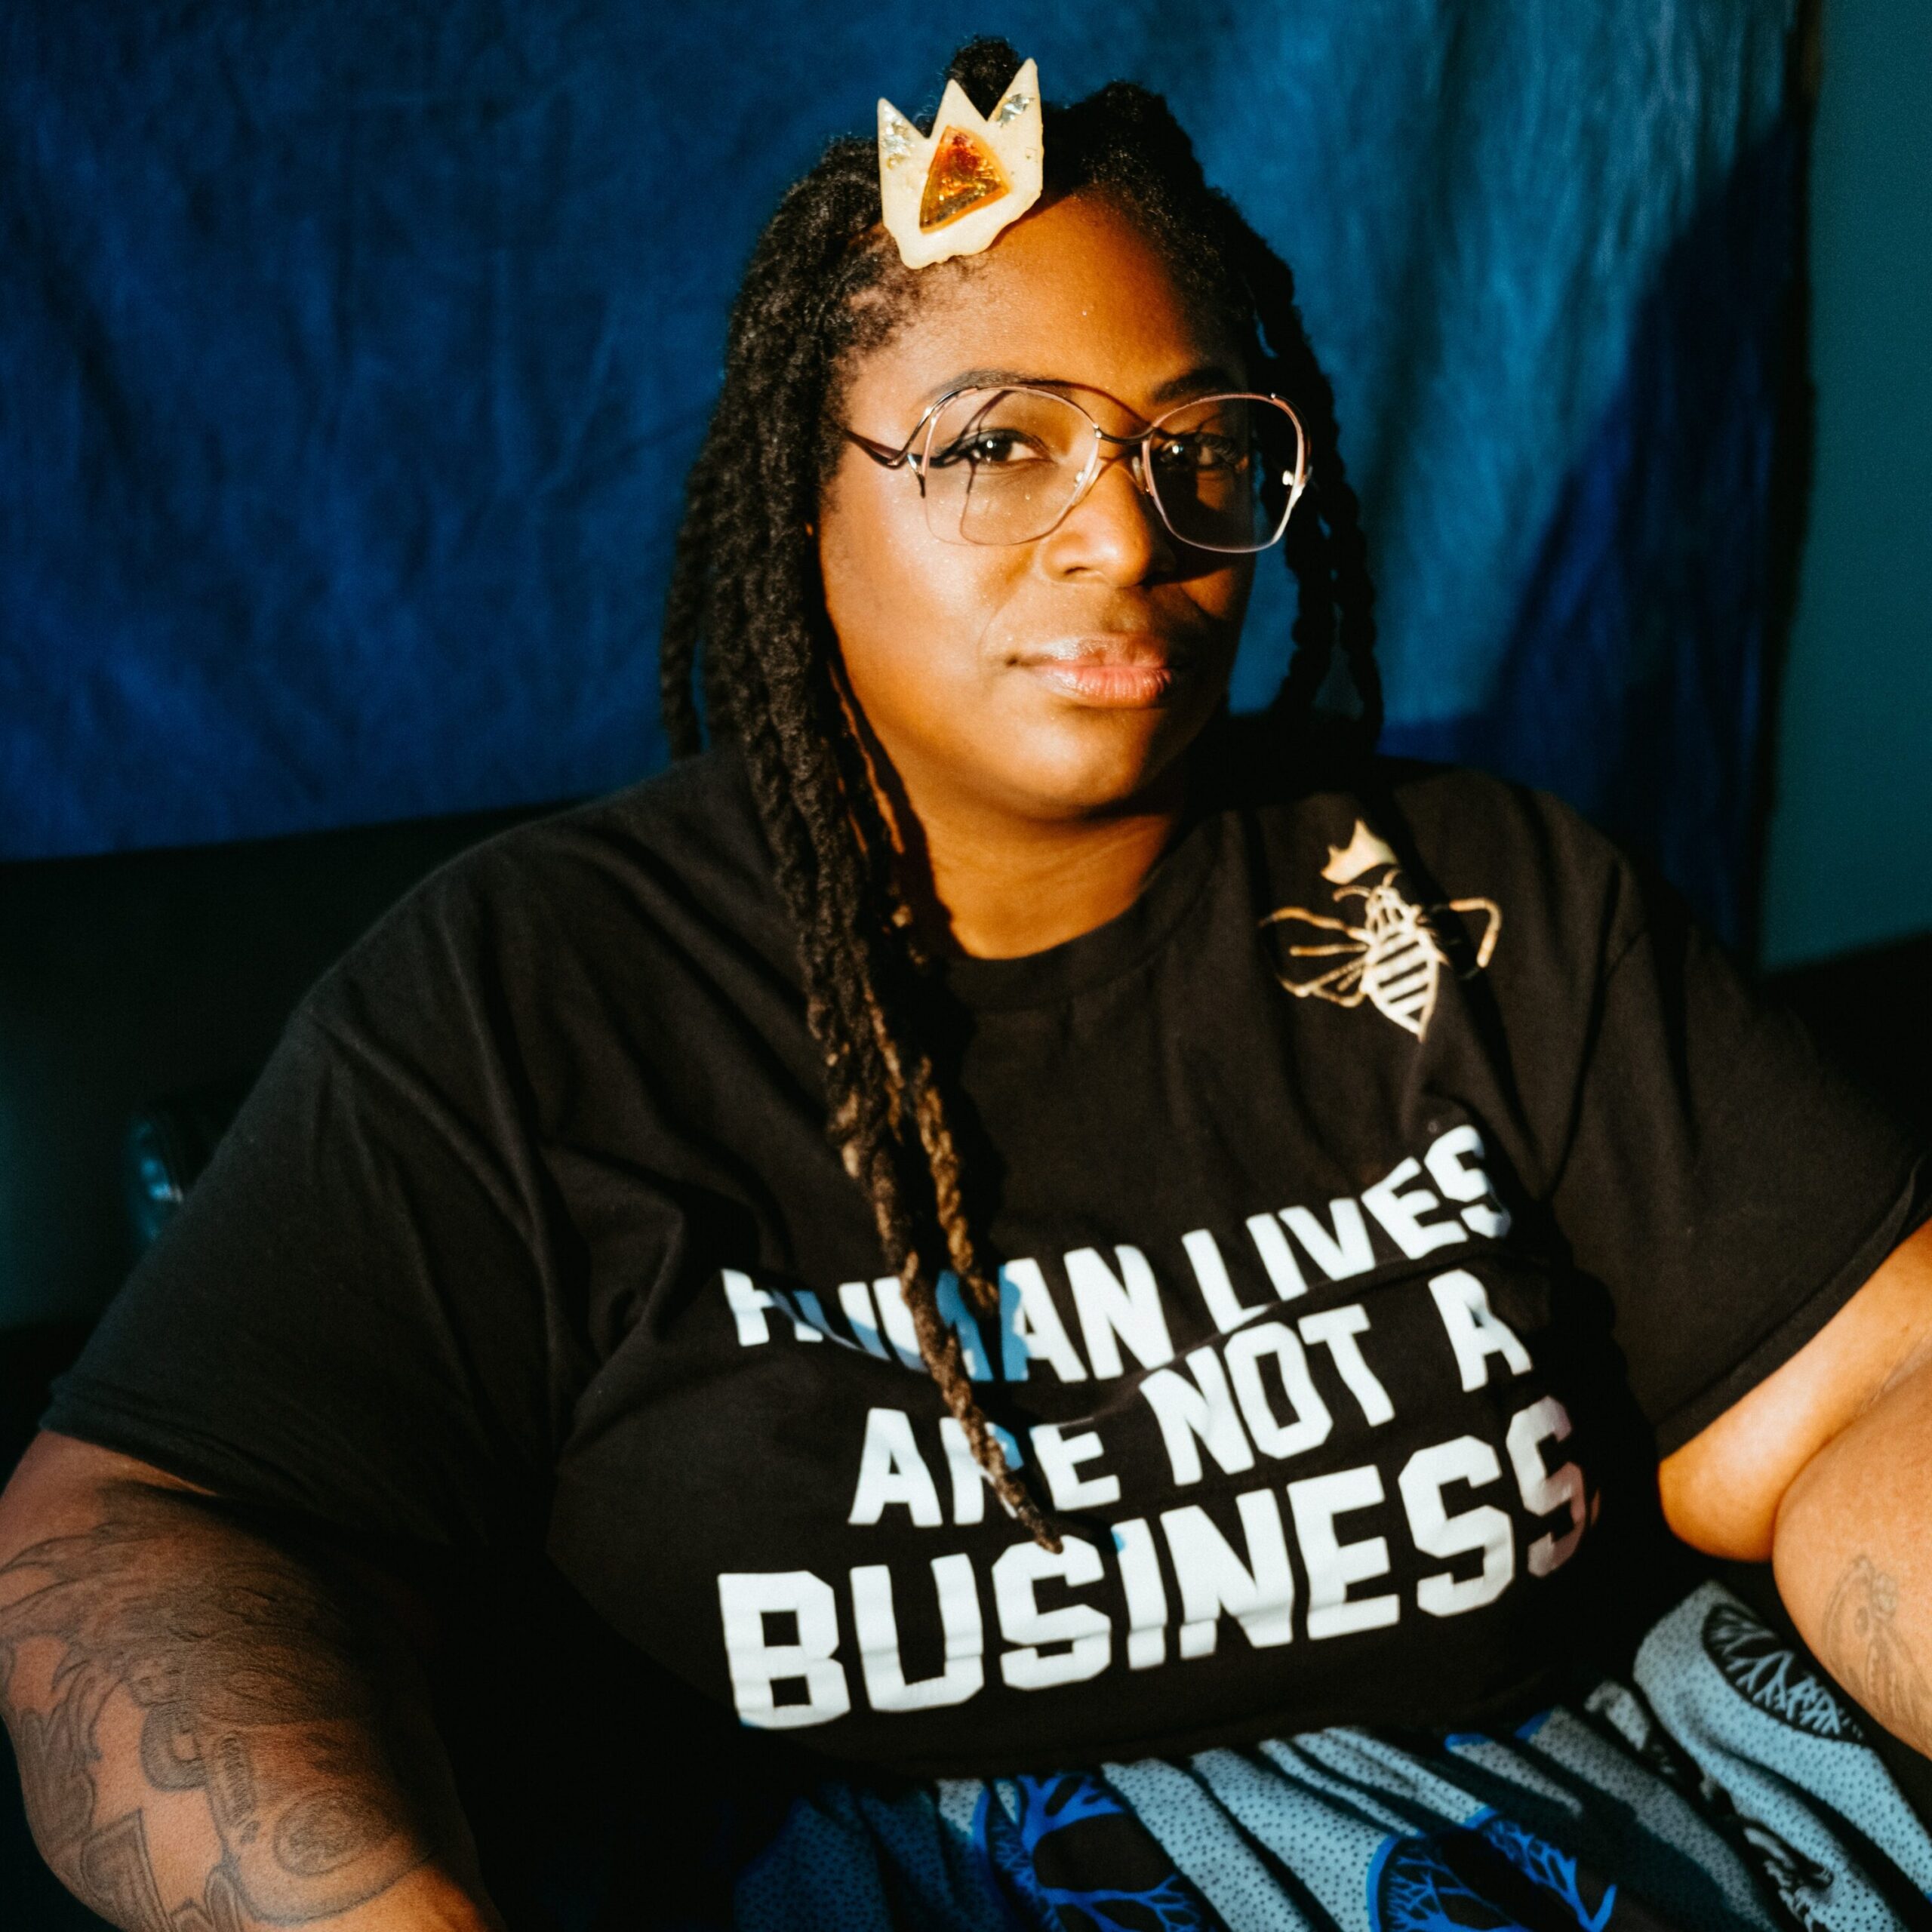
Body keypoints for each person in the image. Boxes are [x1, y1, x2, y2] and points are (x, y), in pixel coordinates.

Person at [2, 37, 1930, 1932]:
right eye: (997, 444)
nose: (1120, 534)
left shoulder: (1484, 898)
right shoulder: (531, 996)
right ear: (800, 497)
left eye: (1196, 450)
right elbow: (148, 1525)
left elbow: (1865, 1391)